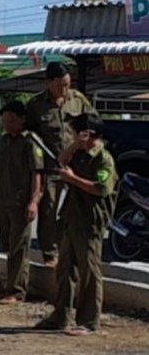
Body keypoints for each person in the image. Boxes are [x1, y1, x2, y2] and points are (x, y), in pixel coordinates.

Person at [36, 113, 117, 336]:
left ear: (88, 134)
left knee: (89, 272)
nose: (72, 136)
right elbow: (61, 163)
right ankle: (61, 315)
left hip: (90, 221)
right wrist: (73, 146)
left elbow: (101, 188)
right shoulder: (78, 154)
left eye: (75, 133)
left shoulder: (103, 159)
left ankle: (89, 321)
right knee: (65, 270)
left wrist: (72, 179)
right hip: (71, 218)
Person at [25, 62, 98, 269]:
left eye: (67, 84)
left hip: (76, 165)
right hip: (52, 166)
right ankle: (50, 253)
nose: (64, 89)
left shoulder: (78, 99)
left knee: (76, 207)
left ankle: (68, 243)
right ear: (48, 83)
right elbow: (30, 136)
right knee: (48, 209)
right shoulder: (36, 105)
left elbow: (93, 122)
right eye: (59, 85)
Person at [0, 101, 45, 304]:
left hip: (21, 203)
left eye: (11, 121)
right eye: (4, 121)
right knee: (7, 245)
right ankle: (9, 286)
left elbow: (37, 174)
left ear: (22, 120)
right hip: (3, 200)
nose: (7, 125)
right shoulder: (4, 141)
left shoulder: (30, 141)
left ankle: (17, 290)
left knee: (18, 248)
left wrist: (34, 201)